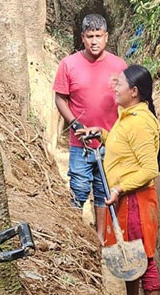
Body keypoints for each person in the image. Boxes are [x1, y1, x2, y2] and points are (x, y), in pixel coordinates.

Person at [80, 65, 160, 295]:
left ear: (134, 91)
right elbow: (124, 148)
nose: (115, 88)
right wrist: (102, 135)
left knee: (144, 255)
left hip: (136, 199)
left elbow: (149, 169)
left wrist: (120, 188)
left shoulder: (141, 122)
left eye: (120, 85)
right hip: (125, 197)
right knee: (127, 248)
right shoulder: (128, 116)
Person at [53, 14, 127, 240]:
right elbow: (60, 98)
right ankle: (74, 239)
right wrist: (74, 123)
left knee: (104, 191)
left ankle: (100, 238)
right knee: (79, 188)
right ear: (82, 38)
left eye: (99, 36)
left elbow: (127, 100)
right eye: (89, 36)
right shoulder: (69, 64)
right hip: (81, 144)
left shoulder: (119, 66)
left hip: (111, 143)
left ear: (106, 37)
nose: (94, 41)